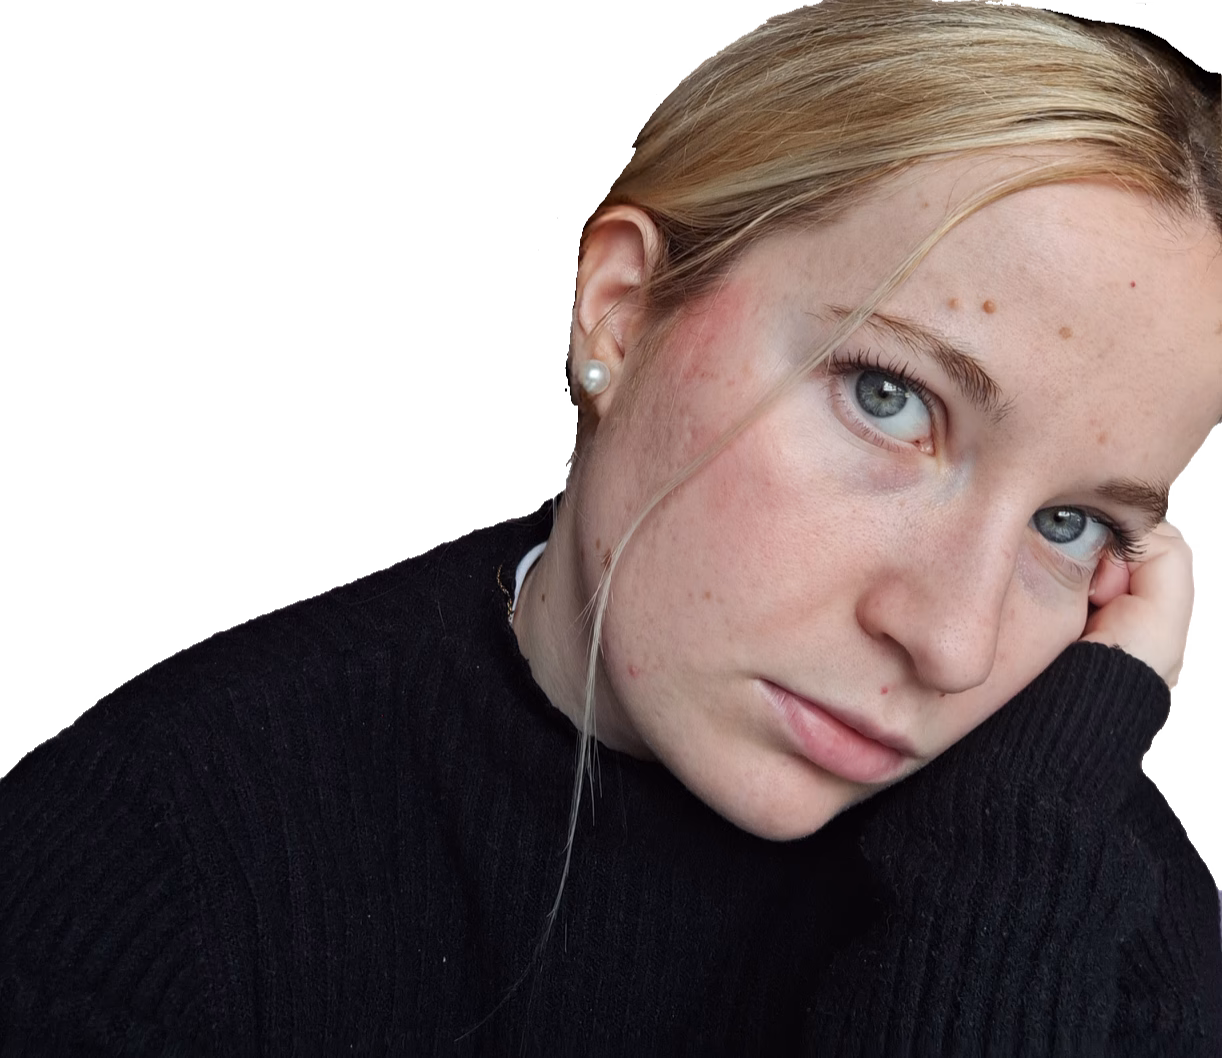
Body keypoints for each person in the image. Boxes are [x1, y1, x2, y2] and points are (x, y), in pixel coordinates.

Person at [3, 0, 1220, 1053]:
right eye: (889, 397)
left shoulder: (1093, 907)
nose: (952, 643)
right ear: (621, 312)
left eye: (1071, 521)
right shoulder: (151, 858)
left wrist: (1002, 900)